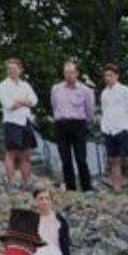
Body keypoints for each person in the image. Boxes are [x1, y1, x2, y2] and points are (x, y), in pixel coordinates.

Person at [49, 60, 96, 193]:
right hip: (61, 124)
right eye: (66, 72)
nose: (69, 75)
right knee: (65, 157)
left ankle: (86, 187)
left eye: (71, 72)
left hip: (78, 124)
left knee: (81, 157)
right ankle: (70, 188)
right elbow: (54, 105)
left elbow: (90, 110)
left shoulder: (85, 90)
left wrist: (82, 120)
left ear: (77, 73)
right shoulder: (56, 89)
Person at [0, 58, 39, 190]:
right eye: (10, 69)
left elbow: (34, 101)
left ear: (20, 70)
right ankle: (10, 183)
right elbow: (8, 105)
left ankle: (26, 184)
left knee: (26, 154)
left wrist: (18, 102)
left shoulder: (25, 85)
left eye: (15, 69)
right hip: (11, 122)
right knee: (11, 153)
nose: (12, 71)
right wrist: (24, 102)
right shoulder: (3, 86)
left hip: (25, 120)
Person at [98, 63, 128, 192]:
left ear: (116, 76)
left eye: (110, 75)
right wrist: (104, 126)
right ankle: (117, 186)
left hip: (123, 128)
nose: (107, 78)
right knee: (113, 159)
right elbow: (105, 111)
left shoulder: (125, 91)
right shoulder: (104, 93)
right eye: (106, 76)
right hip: (109, 129)